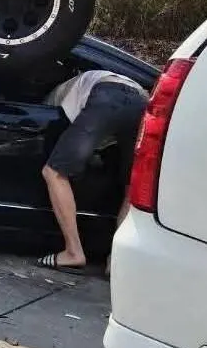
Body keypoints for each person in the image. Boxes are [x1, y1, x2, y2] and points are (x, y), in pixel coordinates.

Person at [37, 68, 148, 274]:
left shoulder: (59, 95)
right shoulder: (89, 78)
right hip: (141, 100)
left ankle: (73, 252)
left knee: (53, 172)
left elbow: (75, 138)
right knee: (131, 185)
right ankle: (115, 261)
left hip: (106, 96)